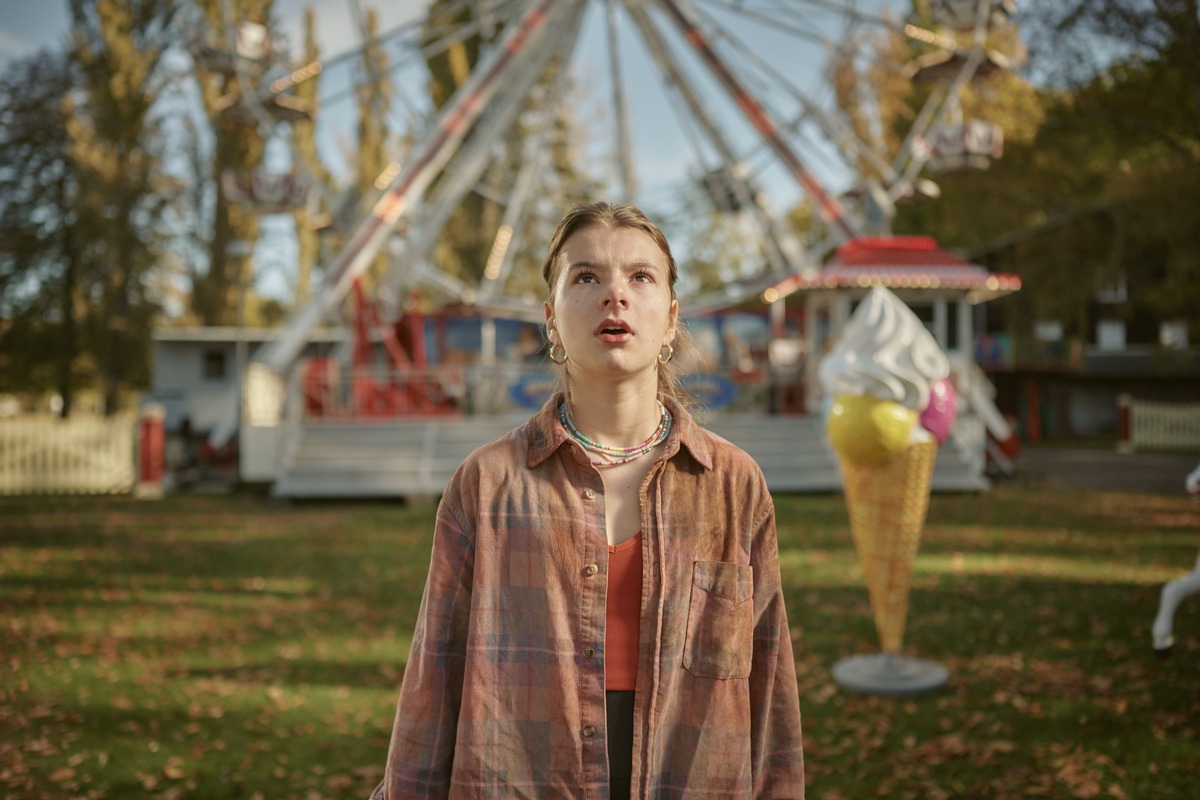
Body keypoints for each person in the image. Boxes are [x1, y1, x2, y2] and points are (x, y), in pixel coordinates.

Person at [370, 202, 805, 799]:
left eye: (640, 276)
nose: (615, 296)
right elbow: (433, 679)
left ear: (672, 319)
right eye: (586, 277)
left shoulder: (734, 485)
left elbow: (769, 688)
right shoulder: (488, 485)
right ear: (551, 320)